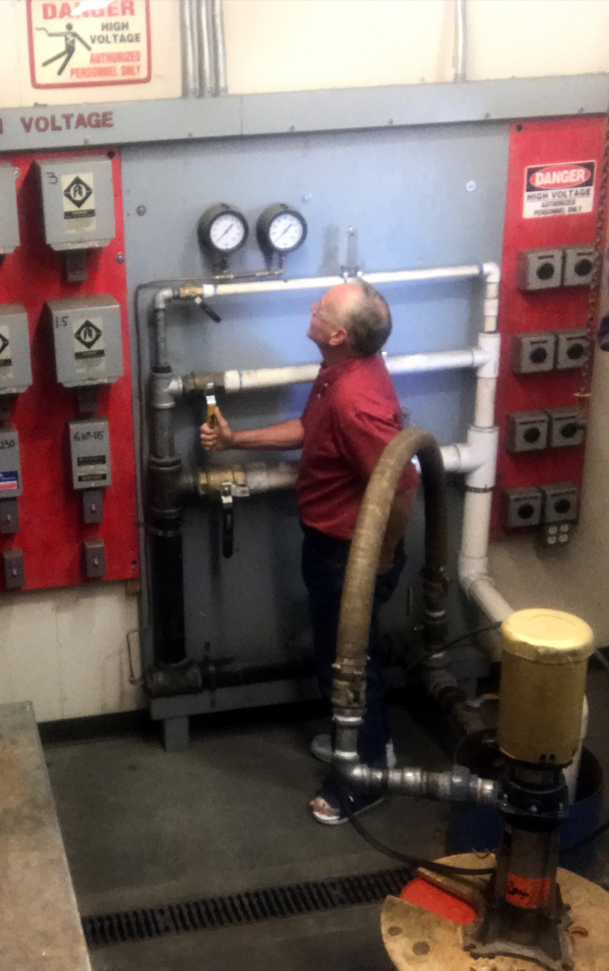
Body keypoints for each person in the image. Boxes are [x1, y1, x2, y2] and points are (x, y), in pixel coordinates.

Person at [199, 279, 418, 825]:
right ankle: (375, 749)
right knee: (347, 659)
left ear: (339, 334)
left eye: (320, 309)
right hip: (332, 547)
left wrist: (381, 560)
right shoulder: (345, 372)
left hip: (351, 556)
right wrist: (235, 441)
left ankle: (362, 779)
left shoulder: (353, 399)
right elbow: (308, 428)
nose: (311, 309)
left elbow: (403, 485)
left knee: (348, 667)